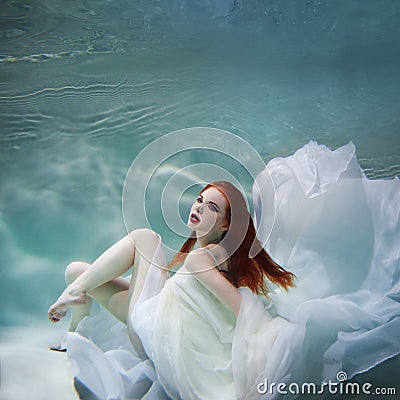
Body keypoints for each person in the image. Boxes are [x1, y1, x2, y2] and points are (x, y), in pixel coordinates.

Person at [48, 181, 304, 400]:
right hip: (158, 311)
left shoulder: (201, 258)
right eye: (200, 200)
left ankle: (73, 294)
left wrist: (267, 341)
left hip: (153, 329)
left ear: (225, 225)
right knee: (76, 271)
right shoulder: (218, 254)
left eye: (212, 208)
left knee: (145, 238)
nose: (199, 208)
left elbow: (241, 308)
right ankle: (73, 333)